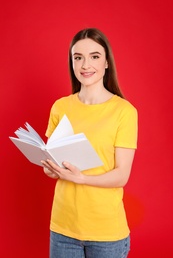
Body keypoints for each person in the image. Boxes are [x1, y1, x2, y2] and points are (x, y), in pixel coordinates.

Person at [41, 28, 138, 258]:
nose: (86, 65)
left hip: (106, 233)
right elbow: (53, 160)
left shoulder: (124, 111)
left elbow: (121, 175)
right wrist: (50, 169)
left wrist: (81, 178)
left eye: (94, 56)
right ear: (72, 63)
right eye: (78, 57)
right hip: (63, 228)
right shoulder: (60, 107)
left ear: (106, 63)